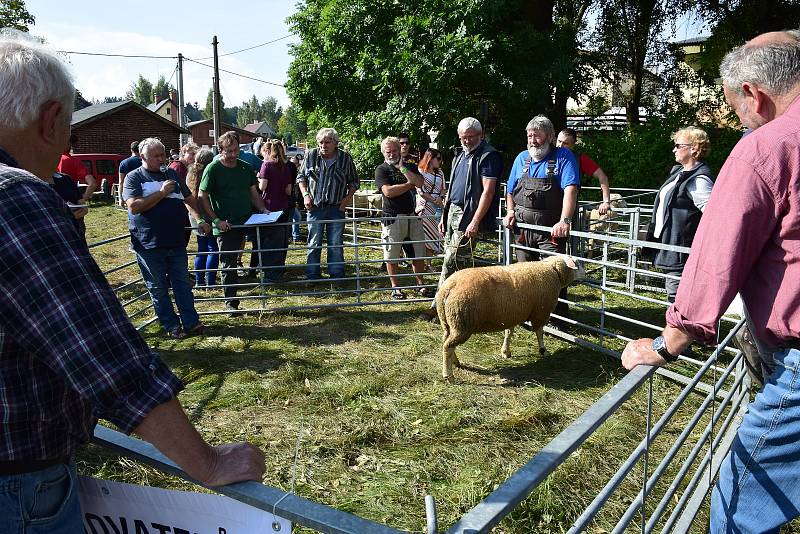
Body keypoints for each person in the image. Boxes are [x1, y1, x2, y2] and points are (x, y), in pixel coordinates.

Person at [0, 30, 265, 534]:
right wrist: (204, 461)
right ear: (53, 118)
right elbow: (100, 350)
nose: (65, 147)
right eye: (68, 134)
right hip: (16, 484)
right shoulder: (15, 196)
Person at [621, 30, 800, 533]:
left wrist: (669, 340)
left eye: (735, 108)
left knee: (741, 496)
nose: (739, 122)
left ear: (754, 94)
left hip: (798, 361)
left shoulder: (766, 147)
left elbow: (718, 252)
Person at [122, 138, 209, 339]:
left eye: (162, 154)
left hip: (176, 240)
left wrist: (200, 219)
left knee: (182, 284)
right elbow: (134, 206)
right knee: (158, 287)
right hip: (148, 243)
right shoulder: (134, 178)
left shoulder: (171, 173)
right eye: (156, 156)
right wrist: (162, 193)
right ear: (143, 156)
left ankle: (191, 322)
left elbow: (188, 199)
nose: (161, 159)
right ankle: (171, 325)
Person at [503, 116, 579, 320]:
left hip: (549, 231)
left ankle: (558, 318)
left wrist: (565, 220)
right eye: (529, 136)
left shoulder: (563, 157)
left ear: (550, 137)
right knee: (524, 274)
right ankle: (525, 314)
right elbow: (510, 191)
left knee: (554, 273)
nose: (532, 140)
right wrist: (510, 211)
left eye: (537, 136)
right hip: (523, 231)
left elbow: (571, 189)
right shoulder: (521, 158)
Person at [198, 131, 268, 315]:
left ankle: (264, 291)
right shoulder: (213, 169)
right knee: (228, 264)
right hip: (225, 224)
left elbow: (254, 194)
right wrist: (215, 220)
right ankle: (231, 303)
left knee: (261, 251)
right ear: (220, 150)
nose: (233, 155)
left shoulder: (245, 168)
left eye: (235, 150)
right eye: (228, 151)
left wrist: (263, 210)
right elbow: (202, 196)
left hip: (247, 220)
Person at [645, 127, 714, 303]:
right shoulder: (680, 173)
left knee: (677, 297)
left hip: (681, 250)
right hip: (669, 244)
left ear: (693, 148)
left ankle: (679, 329)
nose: (673, 149)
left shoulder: (698, 180)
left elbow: (713, 215)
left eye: (678, 145)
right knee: (673, 293)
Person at [436, 117, 503, 290]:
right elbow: (452, 188)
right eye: (463, 137)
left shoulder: (488, 156)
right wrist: (444, 216)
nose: (467, 141)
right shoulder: (459, 155)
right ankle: (463, 300)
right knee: (457, 261)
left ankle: (438, 303)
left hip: (468, 214)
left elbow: (488, 191)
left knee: (452, 260)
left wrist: (475, 221)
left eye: (471, 136)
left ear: (480, 135)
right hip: (452, 211)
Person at [296, 127, 359, 280]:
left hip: (336, 208)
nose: (323, 145)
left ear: (335, 143)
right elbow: (301, 177)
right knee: (313, 242)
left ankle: (337, 276)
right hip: (315, 207)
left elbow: (354, 182)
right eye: (321, 142)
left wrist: (346, 201)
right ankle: (312, 275)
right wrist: (305, 195)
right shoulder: (311, 155)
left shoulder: (345, 158)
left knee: (335, 243)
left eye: (327, 142)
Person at [375, 136, 430, 299]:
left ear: (400, 151)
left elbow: (420, 183)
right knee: (392, 255)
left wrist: (403, 169)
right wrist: (408, 185)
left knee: (418, 253)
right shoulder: (382, 169)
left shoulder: (409, 166)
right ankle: (395, 287)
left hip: (412, 216)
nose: (391, 154)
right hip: (392, 217)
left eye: (394, 151)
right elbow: (388, 192)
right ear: (383, 152)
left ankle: (420, 285)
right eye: (388, 151)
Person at [254, 141, 293, 283]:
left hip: (269, 208)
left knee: (268, 241)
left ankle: (268, 274)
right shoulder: (285, 167)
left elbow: (263, 187)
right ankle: (278, 271)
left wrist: (258, 178)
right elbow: (288, 190)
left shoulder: (267, 165)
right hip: (283, 207)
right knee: (281, 241)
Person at [556, 128, 612, 215]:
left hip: (569, 208)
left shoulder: (580, 159)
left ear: (573, 145)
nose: (560, 145)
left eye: (565, 143)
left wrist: (606, 202)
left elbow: (602, 177)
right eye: (559, 141)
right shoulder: (547, 155)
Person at [186, 148, 219, 288]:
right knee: (213, 248)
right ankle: (210, 281)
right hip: (208, 213)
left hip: (195, 215)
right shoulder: (210, 173)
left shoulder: (190, 174)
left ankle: (200, 281)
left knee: (202, 249)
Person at [416, 148, 447, 258]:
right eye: (438, 159)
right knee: (425, 235)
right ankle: (424, 261)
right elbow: (420, 191)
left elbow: (444, 188)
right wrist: (433, 200)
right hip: (425, 207)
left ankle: (429, 260)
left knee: (435, 233)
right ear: (430, 159)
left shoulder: (440, 173)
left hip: (437, 206)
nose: (440, 161)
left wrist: (440, 197)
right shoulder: (420, 172)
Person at [57, 133, 96, 204]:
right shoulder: (75, 161)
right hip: (71, 202)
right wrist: (83, 199)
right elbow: (92, 184)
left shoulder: (49, 160)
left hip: (54, 201)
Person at [119, 140, 142, 206]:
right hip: (145, 192)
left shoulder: (123, 163)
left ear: (131, 150)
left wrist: (121, 198)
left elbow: (121, 182)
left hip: (130, 193)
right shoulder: (145, 161)